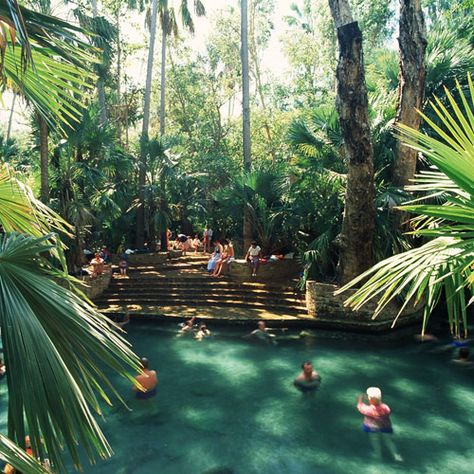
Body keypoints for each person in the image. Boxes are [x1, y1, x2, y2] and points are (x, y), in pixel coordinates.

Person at [357, 387, 402, 462]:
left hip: (373, 428)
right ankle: (396, 455)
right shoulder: (386, 408)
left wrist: (360, 399)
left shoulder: (367, 410)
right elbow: (387, 412)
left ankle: (378, 456)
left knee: (375, 440)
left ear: (369, 399)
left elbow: (359, 407)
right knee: (388, 441)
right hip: (385, 427)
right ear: (380, 398)